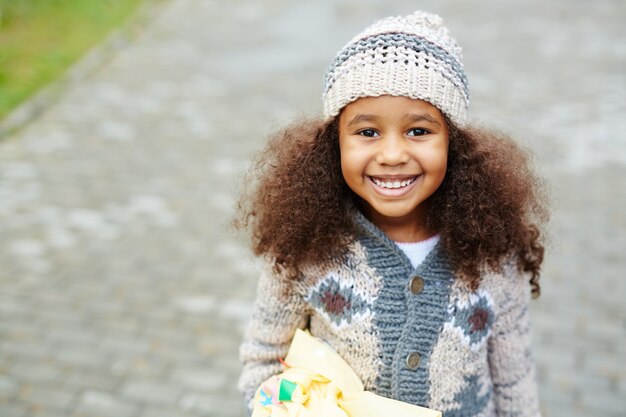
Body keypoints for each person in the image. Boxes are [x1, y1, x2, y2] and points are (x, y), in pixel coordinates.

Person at [236, 10, 548, 417]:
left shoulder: (492, 252)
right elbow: (262, 364)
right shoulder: (306, 250)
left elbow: (514, 381)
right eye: (367, 132)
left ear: (454, 143)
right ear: (335, 144)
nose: (393, 155)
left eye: (419, 131)